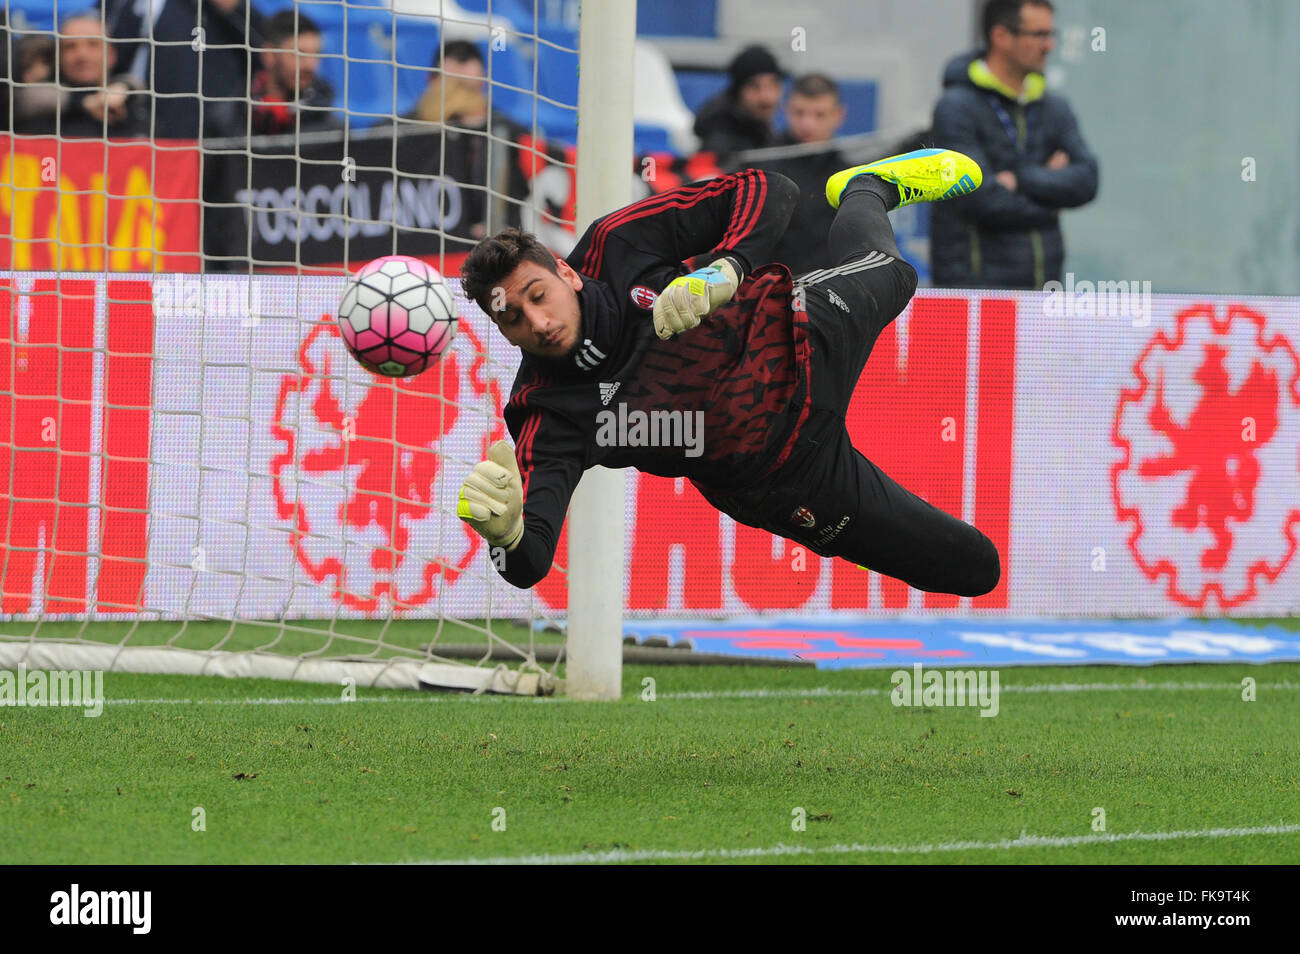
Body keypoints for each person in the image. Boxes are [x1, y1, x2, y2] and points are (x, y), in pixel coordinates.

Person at [455, 148, 1000, 598]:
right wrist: (506, 534)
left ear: (567, 274)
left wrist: (727, 266)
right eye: (512, 318)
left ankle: (867, 188)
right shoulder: (545, 409)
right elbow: (529, 563)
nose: (538, 321)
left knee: (894, 273)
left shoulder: (615, 243)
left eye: (537, 295)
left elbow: (771, 188)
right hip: (786, 474)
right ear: (501, 332)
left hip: (803, 332)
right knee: (973, 569)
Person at [929, 0, 1098, 289]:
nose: (1049, 46)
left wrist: (1018, 178)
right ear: (1001, 37)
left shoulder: (1055, 106)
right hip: (977, 297)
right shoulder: (956, 106)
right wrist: (1050, 205)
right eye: (1039, 35)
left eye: (1051, 35)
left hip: (1042, 293)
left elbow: (1087, 180)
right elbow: (978, 197)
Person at [108, 0, 265, 139]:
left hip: (224, 131)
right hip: (161, 127)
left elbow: (267, 52)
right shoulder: (135, 5)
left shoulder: (232, 9)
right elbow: (114, 56)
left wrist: (236, 7)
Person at [755, 73, 850, 275]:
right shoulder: (762, 167)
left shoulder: (848, 173)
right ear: (786, 110)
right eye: (799, 113)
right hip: (771, 290)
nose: (808, 124)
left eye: (819, 115)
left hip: (828, 292)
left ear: (839, 115)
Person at [13, 12, 149, 138]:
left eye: (93, 44)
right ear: (57, 57)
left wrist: (126, 87)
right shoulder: (34, 117)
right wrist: (85, 102)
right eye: (71, 46)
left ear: (112, 54)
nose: (82, 55)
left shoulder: (137, 117)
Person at [691, 44, 784, 167]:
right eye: (755, 87)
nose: (765, 97)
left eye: (772, 86)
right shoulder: (719, 140)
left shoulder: (763, 130)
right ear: (738, 92)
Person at [250, 9, 338, 135]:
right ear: (270, 55)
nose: (311, 65)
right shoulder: (228, 121)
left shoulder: (331, 131)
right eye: (300, 54)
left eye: (316, 54)